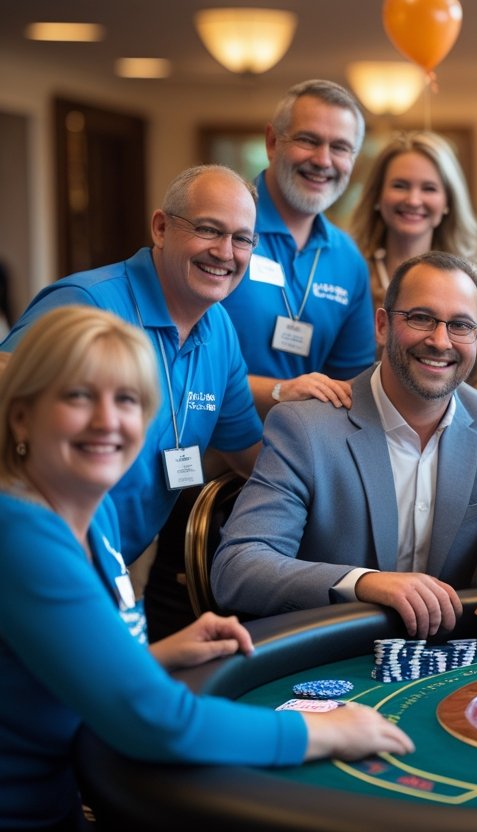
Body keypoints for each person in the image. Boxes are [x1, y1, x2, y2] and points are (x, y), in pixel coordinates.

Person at [0, 306, 410, 830]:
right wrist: (327, 732)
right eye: (78, 396)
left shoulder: (90, 508)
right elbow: (153, 722)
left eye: (125, 399)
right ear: (21, 415)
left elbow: (55, 666)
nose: (107, 421)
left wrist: (162, 654)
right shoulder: (22, 537)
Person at [213, 252, 477, 648]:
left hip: (443, 660)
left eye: (460, 325)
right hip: (329, 657)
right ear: (383, 325)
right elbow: (240, 565)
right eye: (421, 318)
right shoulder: (305, 426)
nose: (440, 341)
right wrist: (364, 582)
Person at [1, 164, 263, 563]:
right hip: (36, 556)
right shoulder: (87, 303)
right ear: (160, 228)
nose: (225, 252)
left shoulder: (219, 327)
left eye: (241, 239)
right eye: (208, 229)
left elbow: (248, 452)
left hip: (116, 566)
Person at [222, 79, 376, 417]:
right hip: (209, 451)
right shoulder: (222, 228)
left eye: (340, 148)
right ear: (272, 142)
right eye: (308, 140)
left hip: (304, 454)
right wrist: (278, 392)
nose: (323, 160)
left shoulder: (348, 259)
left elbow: (351, 385)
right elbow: (175, 359)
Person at [350, 130, 477, 395]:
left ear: (448, 201)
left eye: (429, 188)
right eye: (400, 185)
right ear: (378, 196)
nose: (413, 200)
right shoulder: (351, 276)